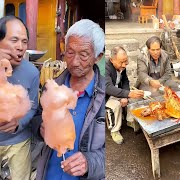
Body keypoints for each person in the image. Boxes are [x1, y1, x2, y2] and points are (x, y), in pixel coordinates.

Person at [35, 19, 106, 180]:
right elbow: (37, 117)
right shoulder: (52, 87)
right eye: (70, 52)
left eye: (83, 55)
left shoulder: (104, 96)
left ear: (98, 56)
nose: (74, 62)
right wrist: (40, 127)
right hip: (49, 174)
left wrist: (89, 162)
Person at [0, 16, 39, 180]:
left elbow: (32, 107)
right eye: (14, 40)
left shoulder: (32, 73)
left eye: (24, 42)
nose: (20, 47)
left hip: (18, 142)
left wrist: (19, 124)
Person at [106, 46, 144, 144]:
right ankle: (114, 130)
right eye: (121, 62)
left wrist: (125, 96)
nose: (124, 65)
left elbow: (126, 81)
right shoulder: (104, 68)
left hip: (116, 92)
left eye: (125, 61)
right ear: (112, 60)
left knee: (133, 98)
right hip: (103, 96)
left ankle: (129, 120)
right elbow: (108, 88)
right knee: (116, 105)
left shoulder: (122, 67)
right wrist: (128, 93)